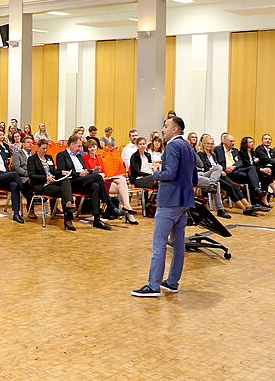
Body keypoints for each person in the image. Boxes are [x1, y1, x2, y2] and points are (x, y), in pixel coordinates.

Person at [132, 116, 197, 297]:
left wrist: (155, 174)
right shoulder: (188, 148)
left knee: (159, 244)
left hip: (169, 200)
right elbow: (194, 178)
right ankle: (172, 282)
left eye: (166, 126)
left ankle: (153, 286)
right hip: (184, 201)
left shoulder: (174, 146)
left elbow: (170, 173)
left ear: (175, 129)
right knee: (178, 245)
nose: (163, 129)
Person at [57, 135, 125, 230]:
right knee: (97, 177)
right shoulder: (61, 155)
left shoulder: (80, 156)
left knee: (95, 186)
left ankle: (97, 219)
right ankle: (109, 205)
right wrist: (79, 174)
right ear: (72, 145)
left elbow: (85, 169)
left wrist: (89, 172)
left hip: (84, 180)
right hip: (71, 182)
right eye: (79, 146)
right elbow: (61, 172)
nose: (80, 149)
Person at [197, 136, 256, 216]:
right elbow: (204, 167)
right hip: (209, 175)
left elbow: (217, 165)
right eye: (208, 143)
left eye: (211, 144)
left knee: (235, 186)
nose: (210, 145)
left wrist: (220, 171)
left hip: (219, 173)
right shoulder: (200, 154)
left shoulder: (213, 154)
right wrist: (219, 171)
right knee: (229, 187)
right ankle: (244, 208)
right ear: (203, 144)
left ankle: (248, 206)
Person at [83, 140, 138, 224]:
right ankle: (128, 212)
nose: (92, 149)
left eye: (94, 146)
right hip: (94, 183)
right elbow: (86, 173)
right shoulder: (85, 158)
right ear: (87, 149)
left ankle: (127, 208)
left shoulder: (99, 158)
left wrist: (105, 176)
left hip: (103, 180)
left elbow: (104, 171)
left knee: (122, 181)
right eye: (90, 147)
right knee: (121, 186)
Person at [0, 134, 33, 224]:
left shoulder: (2, 153)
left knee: (14, 185)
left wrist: (7, 175)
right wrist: (7, 174)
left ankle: (16, 214)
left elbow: (6, 167)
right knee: (14, 174)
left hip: (4, 179)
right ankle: (28, 195)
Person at [213, 133, 268, 208]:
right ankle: (255, 201)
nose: (233, 143)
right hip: (226, 172)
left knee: (251, 168)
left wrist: (234, 166)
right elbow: (217, 162)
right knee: (251, 178)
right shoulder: (218, 149)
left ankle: (257, 190)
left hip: (235, 170)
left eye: (233, 141)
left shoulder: (235, 150)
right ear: (224, 141)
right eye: (231, 141)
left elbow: (240, 161)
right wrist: (224, 169)